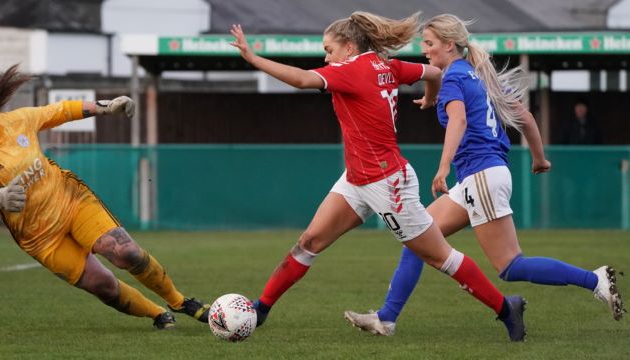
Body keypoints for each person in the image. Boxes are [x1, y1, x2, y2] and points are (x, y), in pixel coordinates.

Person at [230, 12, 527, 341]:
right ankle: (261, 308)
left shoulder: (351, 70)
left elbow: (301, 80)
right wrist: (431, 96)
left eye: (329, 50)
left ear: (349, 47)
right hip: (358, 178)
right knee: (309, 242)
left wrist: (253, 57)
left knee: (440, 256)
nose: (326, 58)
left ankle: (505, 308)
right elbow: (433, 72)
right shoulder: (388, 66)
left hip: (387, 183)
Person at [344, 14, 625, 337]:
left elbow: (459, 121)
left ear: (449, 45)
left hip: (480, 177)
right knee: (417, 241)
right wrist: (539, 158)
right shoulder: (476, 76)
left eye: (430, 43)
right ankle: (386, 318)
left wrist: (443, 166)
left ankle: (595, 280)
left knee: (510, 266)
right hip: (479, 178)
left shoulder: (454, 78)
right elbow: (526, 117)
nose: (424, 49)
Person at [0, 65, 210, 330]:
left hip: (71, 201)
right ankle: (157, 314)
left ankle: (179, 302)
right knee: (105, 286)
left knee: (126, 253)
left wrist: (106, 106)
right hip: (40, 238)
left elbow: (62, 111)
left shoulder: (17, 120)